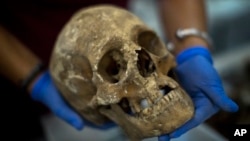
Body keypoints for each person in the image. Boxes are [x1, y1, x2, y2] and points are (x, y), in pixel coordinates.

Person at [0, 0, 238, 141]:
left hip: (119, 20)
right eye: (113, 70)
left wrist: (191, 48)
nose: (151, 79)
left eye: (148, 48)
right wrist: (33, 78)